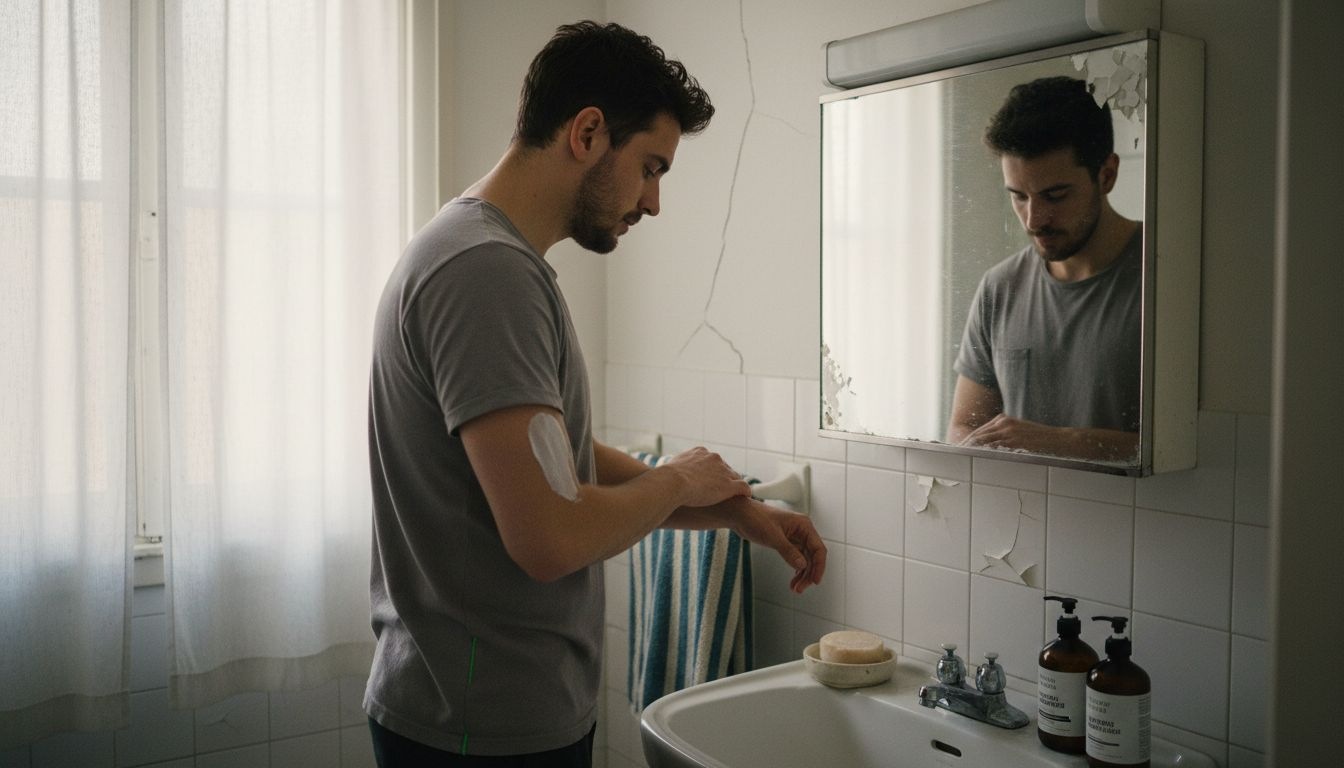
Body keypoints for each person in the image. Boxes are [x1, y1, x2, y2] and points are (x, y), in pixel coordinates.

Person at [363, 21, 827, 767]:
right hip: (482, 726)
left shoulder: (479, 253)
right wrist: (677, 477)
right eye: (650, 167)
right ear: (586, 132)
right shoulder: (487, 273)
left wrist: (732, 512)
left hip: (473, 710)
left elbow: (560, 465)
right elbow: (551, 536)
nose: (652, 202)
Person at [947, 75, 1142, 462]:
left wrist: (1064, 443)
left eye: (1055, 195)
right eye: (1018, 196)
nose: (1034, 219)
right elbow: (963, 429)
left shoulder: (1165, 280)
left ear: (1107, 175)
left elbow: (1194, 451)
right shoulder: (999, 287)